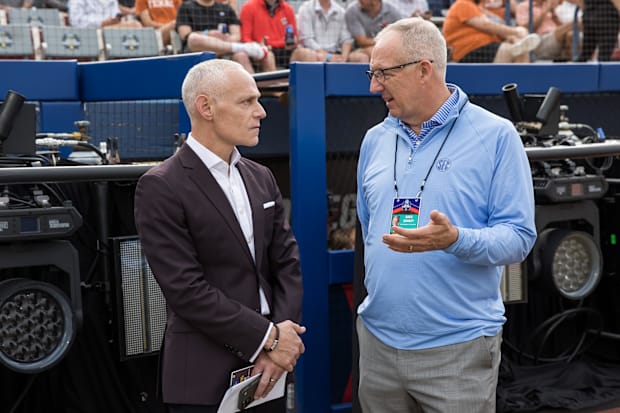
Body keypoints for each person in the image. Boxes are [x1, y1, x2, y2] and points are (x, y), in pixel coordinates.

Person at [356, 17, 537, 412]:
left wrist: (456, 240)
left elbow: (520, 237)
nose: (373, 86)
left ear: (424, 69)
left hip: (457, 351)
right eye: (371, 73)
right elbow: (369, 228)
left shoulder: (497, 136)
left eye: (383, 73)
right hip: (378, 345)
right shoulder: (375, 140)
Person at [134, 59, 306, 412]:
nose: (261, 112)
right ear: (206, 107)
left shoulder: (261, 177)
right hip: (203, 380)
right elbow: (186, 291)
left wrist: (280, 345)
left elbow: (287, 265)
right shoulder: (161, 186)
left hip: (269, 373)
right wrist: (268, 338)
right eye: (247, 101)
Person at [176, 0, 274, 73]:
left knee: (242, 55)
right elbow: (185, 35)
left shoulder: (226, 8)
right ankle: (246, 48)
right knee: (193, 38)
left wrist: (226, 38)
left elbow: (237, 36)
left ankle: (259, 94)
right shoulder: (186, 7)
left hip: (225, 52)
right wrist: (208, 34)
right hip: (198, 51)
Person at [443, 0, 541, 62]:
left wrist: (510, 37)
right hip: (469, 52)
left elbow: (493, 26)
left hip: (486, 48)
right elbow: (486, 25)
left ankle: (519, 89)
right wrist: (516, 32)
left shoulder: (477, 8)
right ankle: (503, 88)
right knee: (508, 50)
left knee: (522, 52)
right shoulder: (463, 3)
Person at [239, 0, 310, 69]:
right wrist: (259, 46)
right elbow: (245, 39)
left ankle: (302, 80)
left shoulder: (288, 8)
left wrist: (293, 42)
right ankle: (275, 81)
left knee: (305, 53)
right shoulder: (248, 7)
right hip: (262, 50)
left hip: (285, 50)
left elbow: (294, 37)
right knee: (268, 57)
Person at [296, 0, 369, 62]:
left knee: (362, 57)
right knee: (309, 55)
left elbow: (346, 39)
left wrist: (344, 57)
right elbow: (307, 39)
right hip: (315, 52)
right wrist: (328, 56)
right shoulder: (306, 9)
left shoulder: (341, 11)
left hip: (337, 53)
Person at [69, 0, 142, 28]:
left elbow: (115, 14)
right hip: (89, 33)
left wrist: (115, 20)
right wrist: (102, 23)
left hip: (110, 31)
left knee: (135, 25)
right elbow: (76, 22)